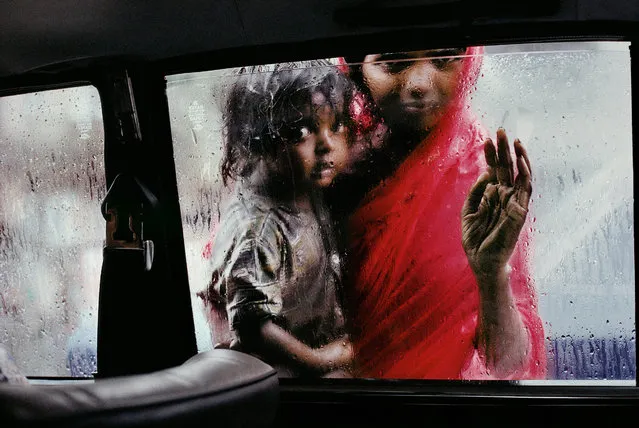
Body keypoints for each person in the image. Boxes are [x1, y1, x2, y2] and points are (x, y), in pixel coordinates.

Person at [332, 47, 546, 379]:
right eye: (393, 63)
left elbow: (507, 367)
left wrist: (492, 278)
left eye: (444, 59)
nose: (419, 82)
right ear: (356, 70)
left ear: (470, 62)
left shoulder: (483, 177)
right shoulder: (323, 158)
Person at [199, 61, 355, 377]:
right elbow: (252, 327)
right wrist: (320, 360)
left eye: (337, 125)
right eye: (301, 131)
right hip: (273, 373)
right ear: (256, 141)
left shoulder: (302, 183)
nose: (327, 145)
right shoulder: (259, 229)